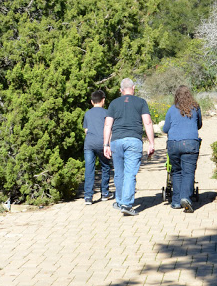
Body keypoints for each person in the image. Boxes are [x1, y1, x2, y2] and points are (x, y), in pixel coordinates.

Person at [103, 78, 155, 216]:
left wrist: (106, 144)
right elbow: (148, 123)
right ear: (133, 88)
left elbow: (108, 125)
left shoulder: (114, 103)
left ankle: (120, 201)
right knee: (130, 173)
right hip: (134, 140)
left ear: (121, 90)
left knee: (119, 173)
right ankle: (126, 203)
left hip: (116, 141)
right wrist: (151, 143)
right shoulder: (141, 102)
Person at [163, 85, 202, 213]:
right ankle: (185, 198)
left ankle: (175, 202)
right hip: (190, 143)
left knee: (176, 171)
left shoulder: (171, 109)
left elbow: (165, 129)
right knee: (188, 172)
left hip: (173, 144)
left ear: (176, 96)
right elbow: (199, 125)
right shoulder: (195, 108)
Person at [83, 90, 112, 205]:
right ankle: (104, 192)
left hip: (89, 144)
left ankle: (88, 196)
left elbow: (86, 130)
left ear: (91, 101)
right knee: (105, 166)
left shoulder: (87, 114)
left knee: (89, 169)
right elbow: (109, 129)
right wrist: (109, 144)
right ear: (103, 100)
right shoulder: (107, 113)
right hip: (102, 143)